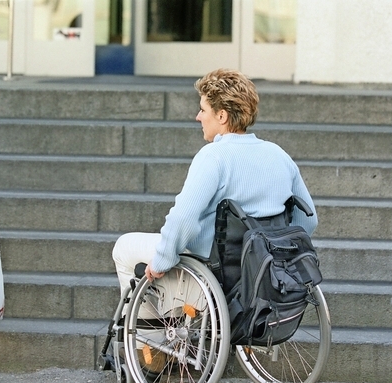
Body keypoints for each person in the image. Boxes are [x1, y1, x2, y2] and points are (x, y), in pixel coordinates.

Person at [112, 68, 317, 297]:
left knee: (124, 247)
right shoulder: (279, 155)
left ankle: (146, 332)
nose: (197, 116)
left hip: (214, 273)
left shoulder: (214, 156)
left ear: (222, 116)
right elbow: (308, 221)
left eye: (203, 109)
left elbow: (183, 219)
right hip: (263, 274)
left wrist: (161, 261)